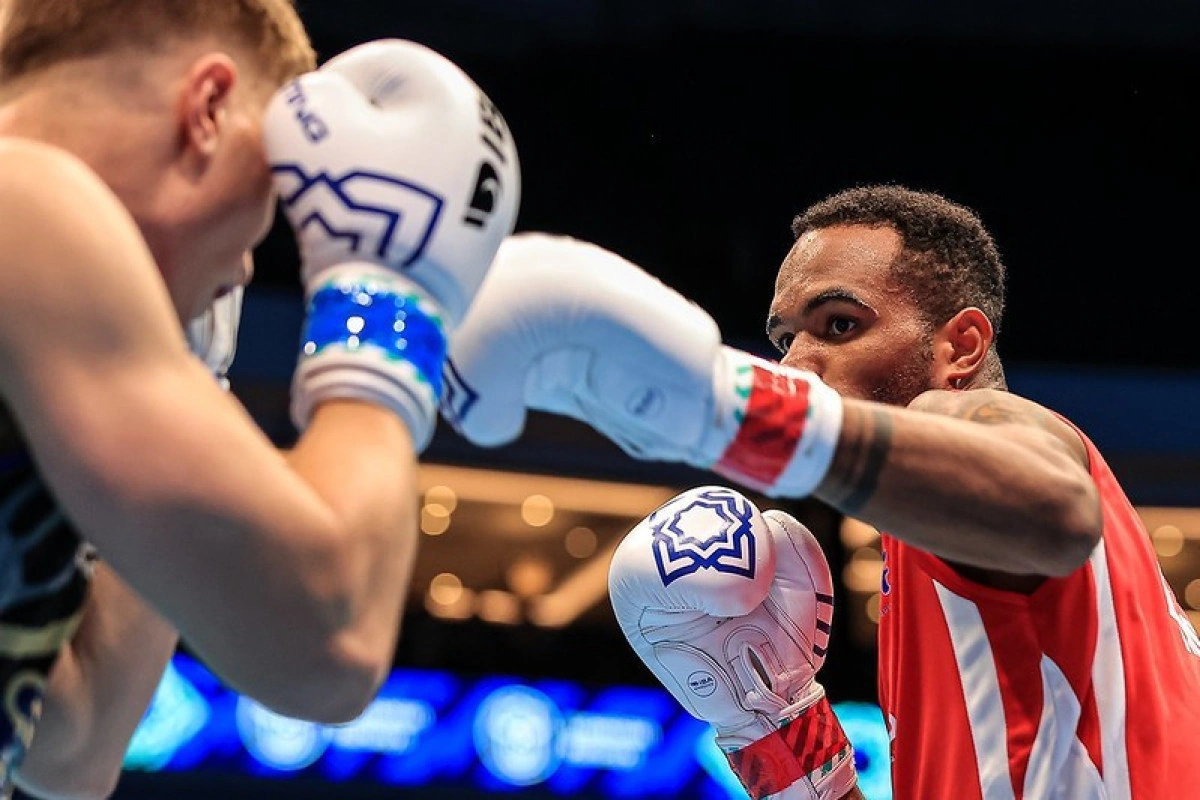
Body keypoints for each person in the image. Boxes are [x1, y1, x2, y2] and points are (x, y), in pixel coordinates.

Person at [440, 185, 1200, 799]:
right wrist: (776, 734)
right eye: (784, 340)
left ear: (961, 347)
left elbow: (1055, 513)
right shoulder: (938, 562)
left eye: (839, 325)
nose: (795, 365)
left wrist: (725, 408)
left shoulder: (985, 424)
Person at [0, 1, 519, 796]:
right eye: (274, 184)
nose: (246, 268)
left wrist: (183, 372)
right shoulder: (24, 201)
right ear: (208, 108)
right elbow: (328, 645)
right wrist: (388, 297)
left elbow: (73, 749)